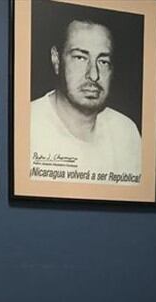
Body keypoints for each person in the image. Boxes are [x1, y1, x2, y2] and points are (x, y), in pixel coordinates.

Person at [30, 16, 141, 179]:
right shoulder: (29, 124)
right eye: (80, 58)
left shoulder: (125, 131)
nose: (94, 75)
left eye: (103, 61)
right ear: (56, 59)